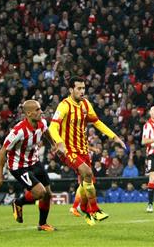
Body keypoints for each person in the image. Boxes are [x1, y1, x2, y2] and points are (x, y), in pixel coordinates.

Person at [49, 77, 126, 225]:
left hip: (83, 149)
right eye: (79, 88)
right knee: (87, 173)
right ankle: (94, 210)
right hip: (68, 150)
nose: (82, 91)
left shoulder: (85, 104)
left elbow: (97, 122)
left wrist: (114, 136)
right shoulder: (64, 105)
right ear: (71, 90)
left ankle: (84, 209)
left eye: (83, 88)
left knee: (86, 180)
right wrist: (60, 144)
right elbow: (52, 127)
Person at [0, 100, 56, 231]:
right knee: (40, 192)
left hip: (34, 162)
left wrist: (53, 144)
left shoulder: (42, 123)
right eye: (37, 110)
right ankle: (18, 202)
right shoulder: (18, 131)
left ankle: (42, 224)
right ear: (29, 113)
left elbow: (46, 131)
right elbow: (3, 151)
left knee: (48, 194)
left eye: (40, 108)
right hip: (19, 166)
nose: (41, 112)